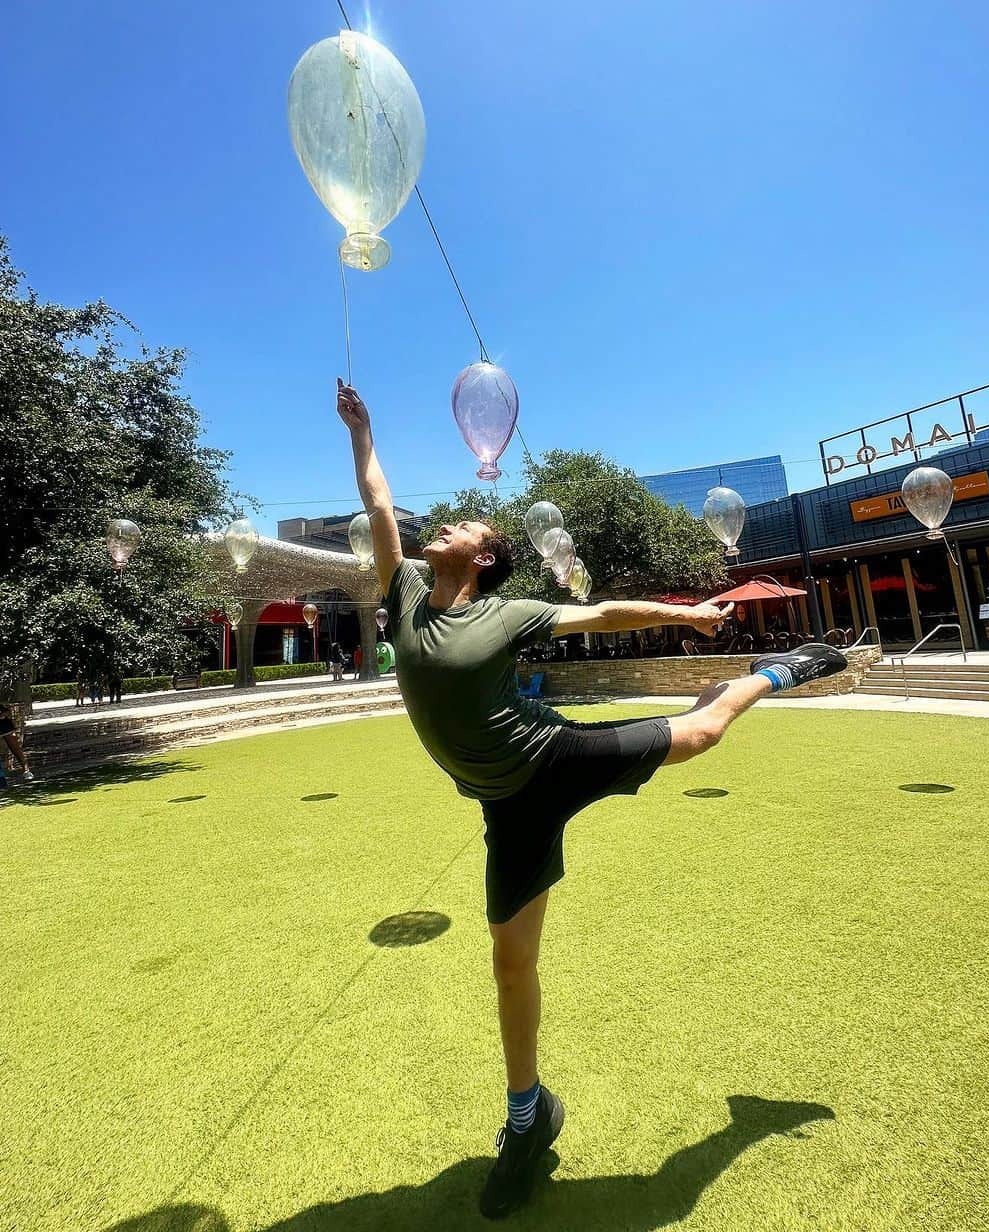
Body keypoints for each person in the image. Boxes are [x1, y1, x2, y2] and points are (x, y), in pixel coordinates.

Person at [335, 378, 847, 1219]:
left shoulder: (506, 615)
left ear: (486, 559)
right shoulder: (405, 599)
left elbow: (601, 611)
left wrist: (689, 616)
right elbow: (379, 499)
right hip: (508, 807)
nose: (445, 527)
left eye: (464, 527)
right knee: (510, 966)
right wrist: (363, 429)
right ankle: (528, 1121)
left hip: (553, 758)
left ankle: (776, 673)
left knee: (702, 736)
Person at [0, 705, 33, 788]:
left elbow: (7, 712)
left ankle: (26, 770)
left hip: (5, 727)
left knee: (16, 749)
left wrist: (2, 716)